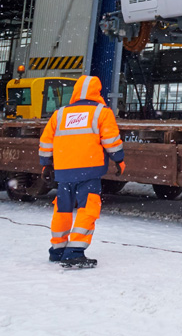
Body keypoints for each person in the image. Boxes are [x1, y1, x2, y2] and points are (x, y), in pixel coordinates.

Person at [38, 75, 124, 268]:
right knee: (88, 209)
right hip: (89, 171)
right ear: (97, 92)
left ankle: (58, 250)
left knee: (62, 209)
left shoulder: (60, 114)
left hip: (64, 171)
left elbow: (46, 141)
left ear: (76, 91)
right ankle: (74, 252)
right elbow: (111, 141)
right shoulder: (102, 112)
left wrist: (46, 164)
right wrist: (119, 160)